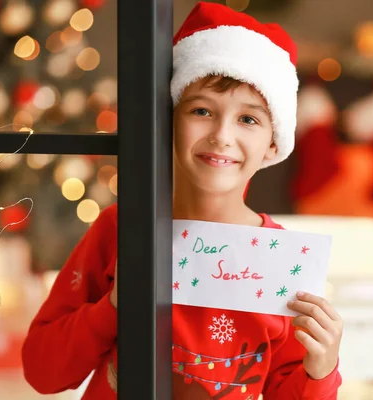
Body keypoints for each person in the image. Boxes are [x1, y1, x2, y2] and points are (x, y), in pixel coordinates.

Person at [22, 2, 343, 399]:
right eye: (202, 110)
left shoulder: (280, 262)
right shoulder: (119, 229)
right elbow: (42, 371)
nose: (222, 135)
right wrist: (114, 307)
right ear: (170, 122)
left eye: (248, 119)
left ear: (273, 143)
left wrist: (322, 369)